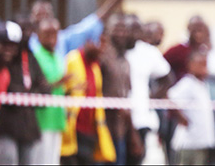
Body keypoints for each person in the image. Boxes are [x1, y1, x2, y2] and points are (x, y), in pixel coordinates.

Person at [0, 20, 50, 165]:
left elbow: (45, 90)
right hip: (4, 129)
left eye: (13, 45)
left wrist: (29, 94)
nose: (9, 49)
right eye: (5, 45)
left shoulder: (31, 59)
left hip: (28, 130)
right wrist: (31, 93)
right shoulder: (1, 64)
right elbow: (10, 91)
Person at [28, 0, 129, 61]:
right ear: (31, 18)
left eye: (47, 15)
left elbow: (92, 22)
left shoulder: (63, 39)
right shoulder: (27, 42)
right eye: (38, 15)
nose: (43, 19)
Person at [124, 14, 173, 166]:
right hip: (116, 119)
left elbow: (168, 78)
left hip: (140, 119)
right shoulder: (114, 50)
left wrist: (151, 99)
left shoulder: (147, 51)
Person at [61, 41, 116, 165]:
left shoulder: (95, 65)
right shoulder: (73, 59)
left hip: (90, 129)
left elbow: (97, 93)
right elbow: (62, 87)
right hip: (73, 128)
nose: (102, 50)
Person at [98, 13, 142, 164]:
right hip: (103, 130)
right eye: (117, 29)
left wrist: (132, 133)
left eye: (124, 29)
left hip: (121, 131)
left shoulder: (125, 61)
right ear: (107, 30)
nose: (121, 33)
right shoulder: (102, 57)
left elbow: (125, 97)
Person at [29, 18, 71, 165]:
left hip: (57, 118)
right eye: (47, 34)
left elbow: (60, 87)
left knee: (53, 161)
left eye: (55, 34)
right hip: (42, 120)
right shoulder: (36, 57)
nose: (51, 38)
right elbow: (37, 86)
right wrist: (59, 82)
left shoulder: (58, 57)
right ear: (38, 35)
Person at [166, 49, 215, 165]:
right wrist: (180, 117)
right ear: (190, 65)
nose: (204, 68)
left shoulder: (202, 84)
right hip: (189, 143)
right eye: (200, 64)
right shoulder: (187, 83)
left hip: (201, 142)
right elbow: (169, 98)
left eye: (205, 64)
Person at [164, 16, 211, 81]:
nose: (198, 34)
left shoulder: (206, 50)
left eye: (200, 30)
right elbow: (161, 67)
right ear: (189, 30)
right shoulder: (178, 50)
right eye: (194, 31)